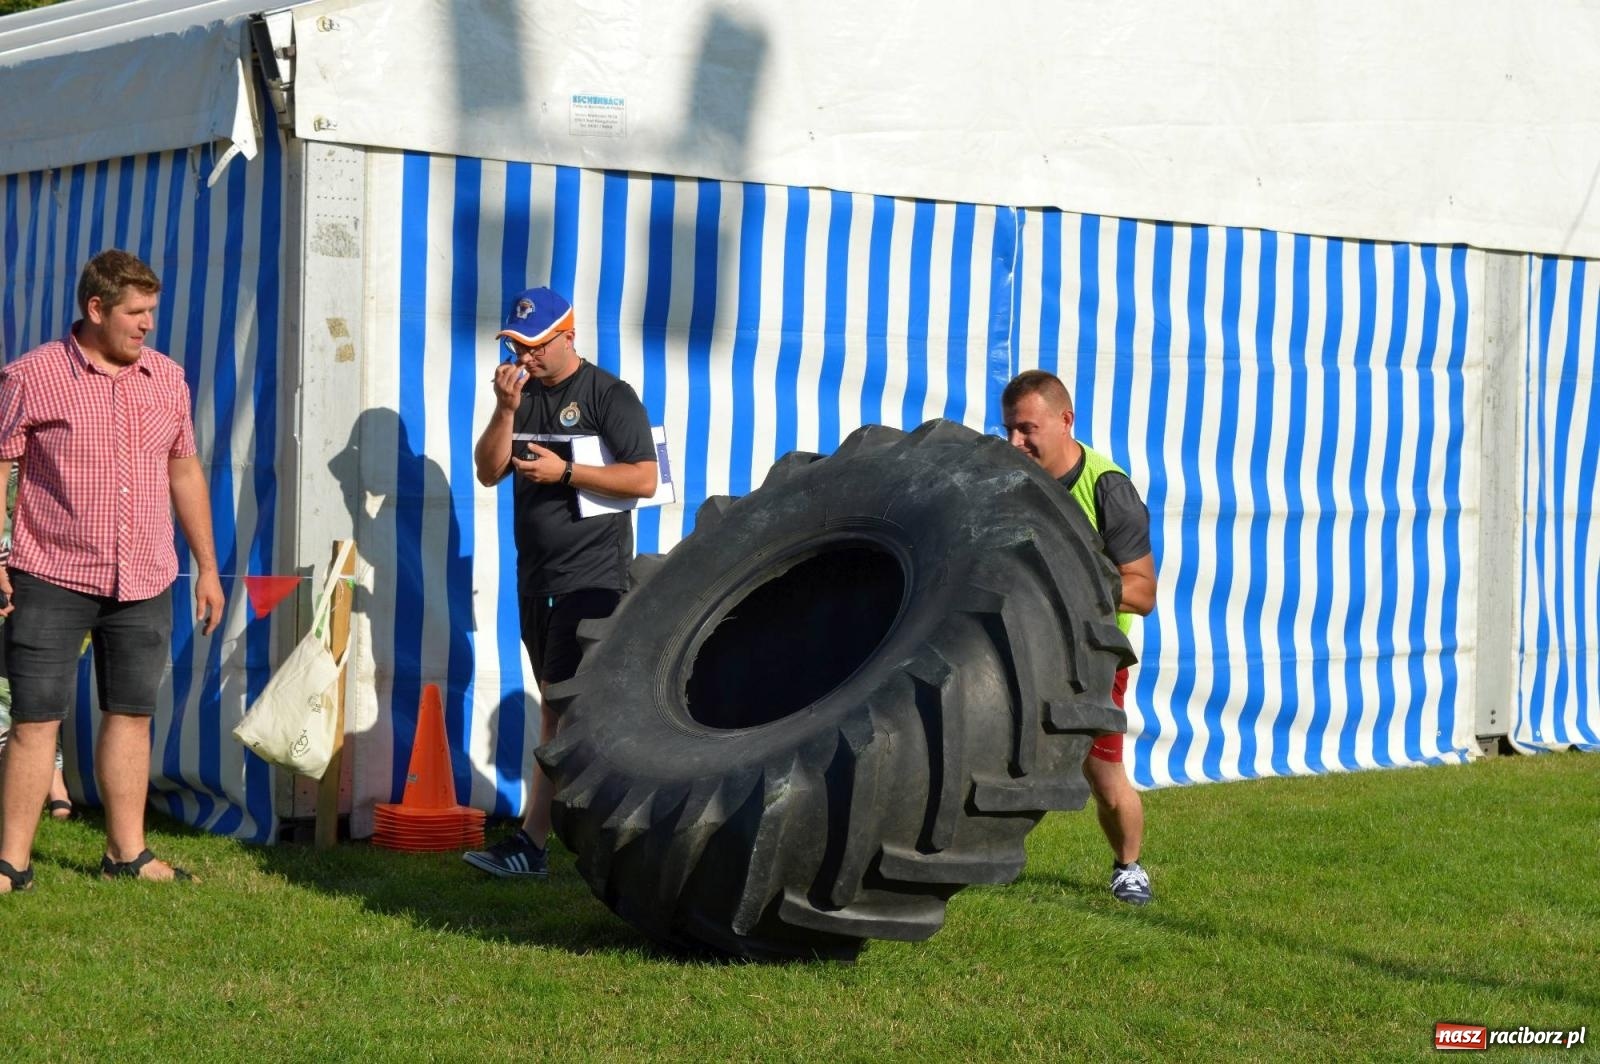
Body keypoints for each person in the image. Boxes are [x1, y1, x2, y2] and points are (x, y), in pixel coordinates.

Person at [0, 249, 224, 894]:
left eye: (152, 310)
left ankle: (126, 853)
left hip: (147, 576)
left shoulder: (167, 378)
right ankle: (11, 862)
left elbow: (184, 470)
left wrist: (206, 567)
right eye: (137, 311)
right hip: (50, 572)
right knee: (36, 716)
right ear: (96, 310)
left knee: (130, 714)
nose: (149, 323)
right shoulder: (32, 375)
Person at [462, 287, 657, 878]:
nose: (524, 357)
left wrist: (566, 471)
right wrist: (503, 410)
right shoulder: (517, 396)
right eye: (516, 346)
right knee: (556, 703)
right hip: (536, 574)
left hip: (593, 576)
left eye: (534, 345)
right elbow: (488, 470)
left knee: (564, 707)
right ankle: (557, 839)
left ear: (567, 337)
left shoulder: (608, 395)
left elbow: (647, 478)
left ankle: (536, 840)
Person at [1001, 369, 1158, 905]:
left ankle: (1129, 867)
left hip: (1094, 660)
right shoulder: (1014, 480)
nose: (1015, 443)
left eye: (1026, 429)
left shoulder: (1108, 488)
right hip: (1026, 647)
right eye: (1009, 431)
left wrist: (1070, 586)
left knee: (1104, 777)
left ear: (1065, 421)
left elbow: (1142, 593)